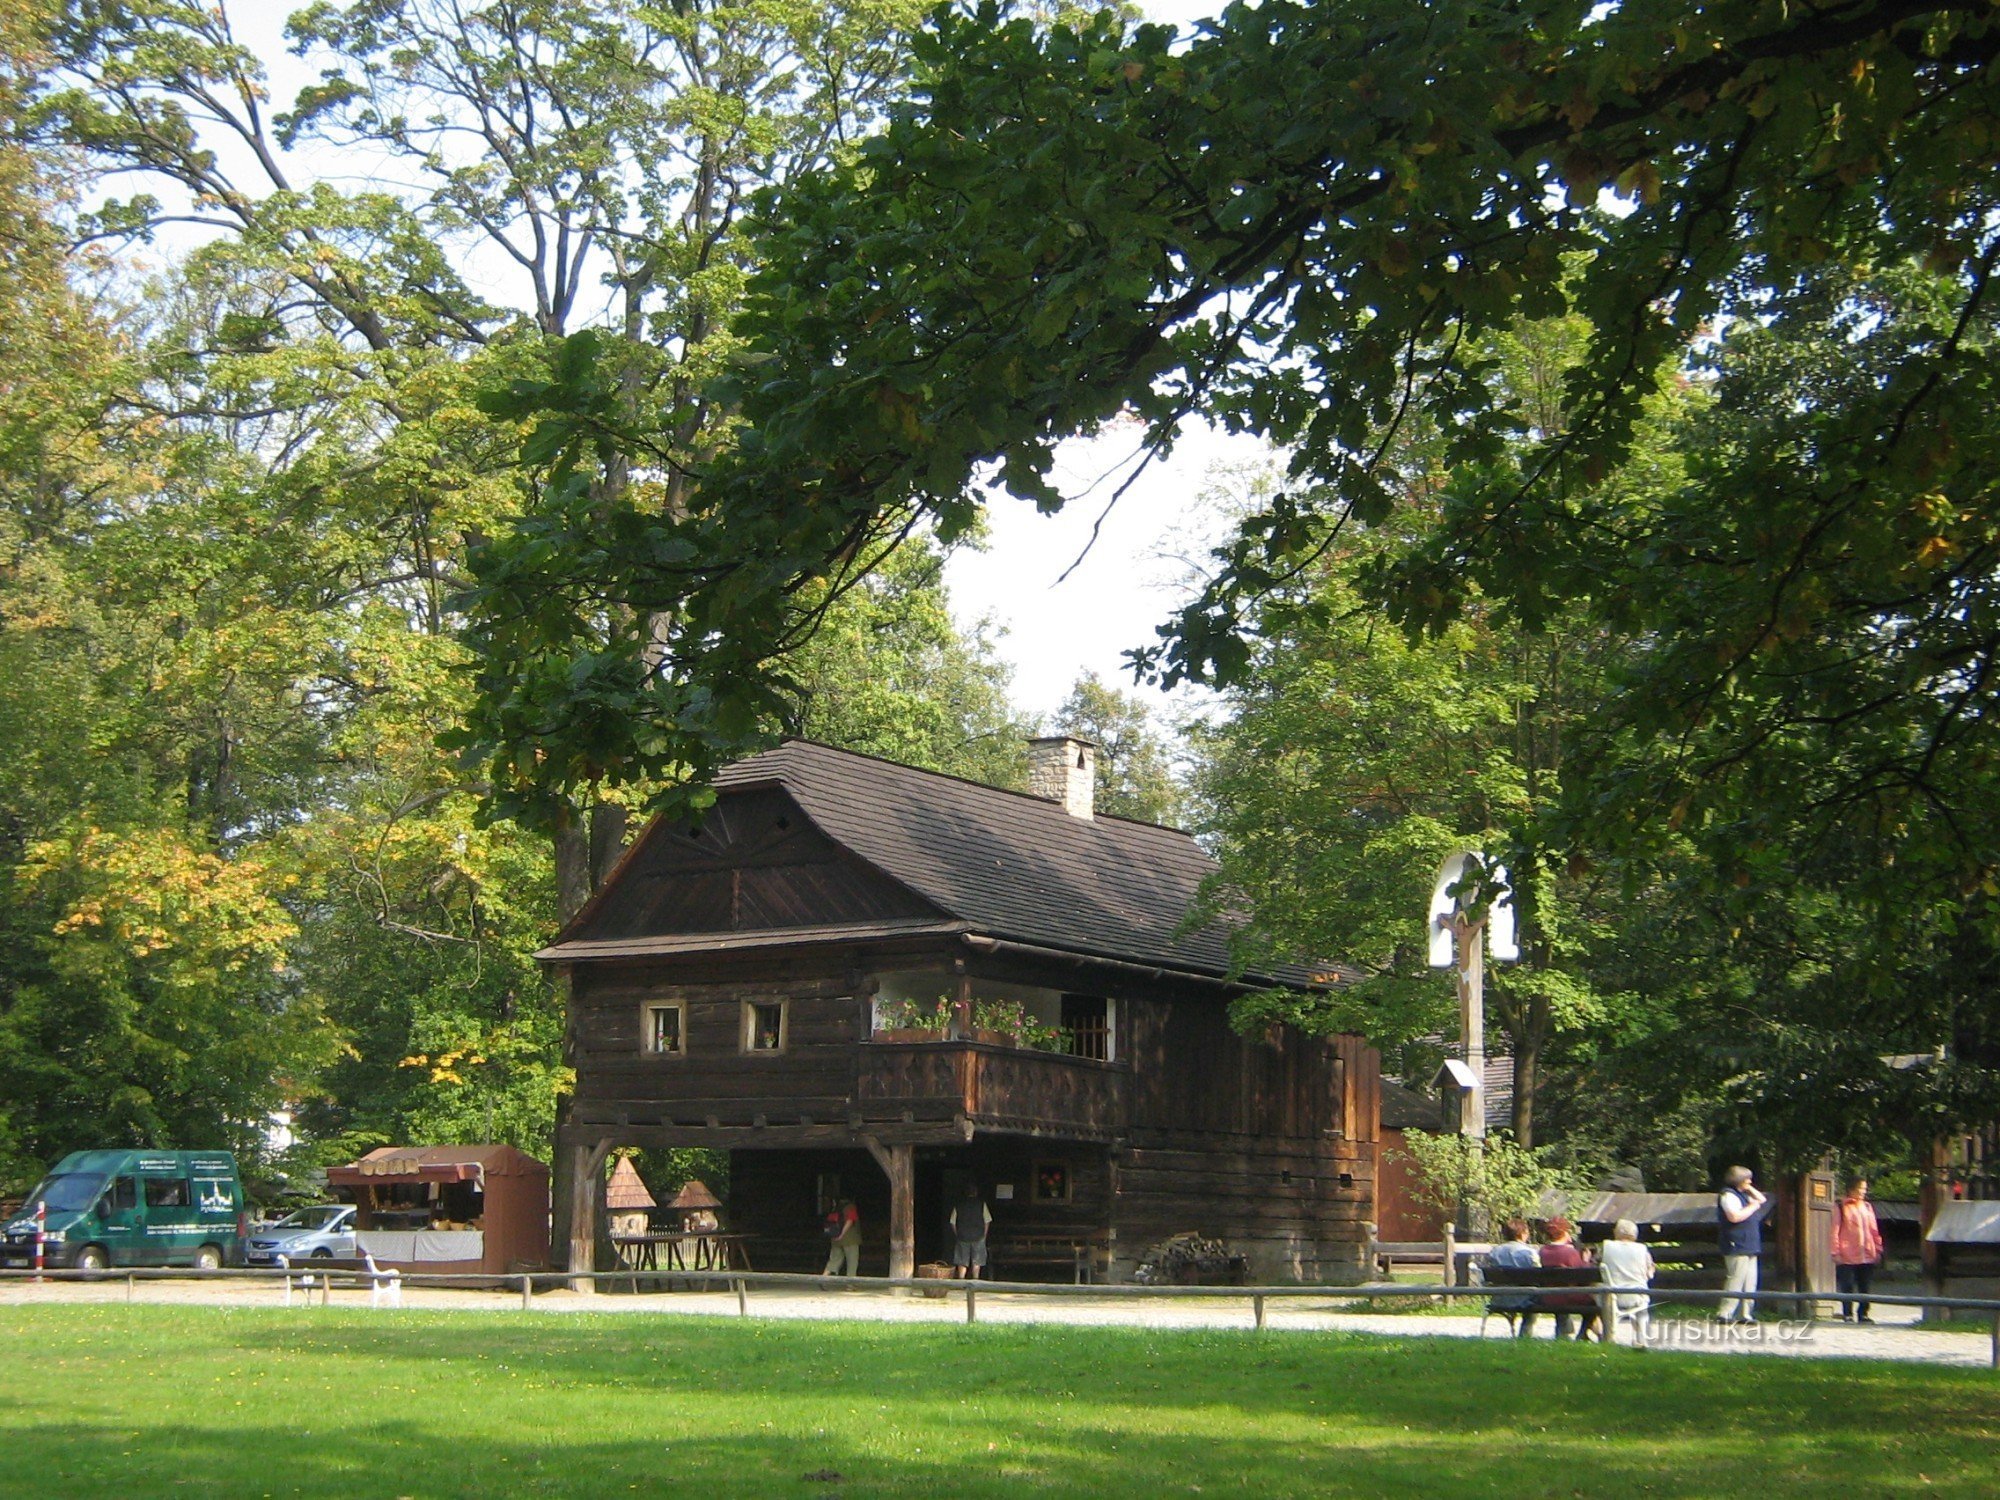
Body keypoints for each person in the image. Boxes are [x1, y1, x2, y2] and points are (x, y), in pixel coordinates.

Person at [1531, 1216, 1599, 1342]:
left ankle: (1564, 1332)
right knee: (1593, 1303)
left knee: (1559, 1291)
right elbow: (1582, 1274)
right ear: (1564, 1232)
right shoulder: (1570, 1252)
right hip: (1568, 1296)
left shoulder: (1543, 1251)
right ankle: (1582, 1334)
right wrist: (1586, 1260)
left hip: (1548, 1297)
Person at [1715, 1164, 1768, 1324]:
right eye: (1747, 1179)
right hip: (1736, 1243)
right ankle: (1725, 1313)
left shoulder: (1743, 1194)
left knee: (1750, 1281)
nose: (1750, 1182)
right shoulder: (1728, 1195)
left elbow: (1761, 1199)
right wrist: (1752, 1207)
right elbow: (1734, 1217)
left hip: (1750, 1244)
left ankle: (1746, 1314)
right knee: (1736, 1279)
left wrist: (1749, 1189)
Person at [1831, 1177, 1884, 1323]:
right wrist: (1835, 1251)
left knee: (1864, 1285)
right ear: (1851, 1189)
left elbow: (1874, 1229)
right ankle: (1847, 1313)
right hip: (1847, 1253)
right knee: (1847, 1285)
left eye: (1864, 1189)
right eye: (1860, 1188)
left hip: (1866, 1252)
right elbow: (1835, 1230)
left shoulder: (1867, 1207)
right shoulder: (1841, 1206)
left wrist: (1878, 1248)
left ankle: (1863, 1314)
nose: (1863, 1191)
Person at [1598, 1218, 1657, 1346]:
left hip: (1611, 1296)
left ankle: (1609, 1336)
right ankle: (1641, 1338)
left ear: (1617, 1232)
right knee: (1642, 1305)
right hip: (1637, 1296)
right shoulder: (1642, 1250)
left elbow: (1595, 1264)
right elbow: (1650, 1274)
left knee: (1597, 1288)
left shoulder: (1606, 1246)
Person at [1484, 1218, 1540, 1337]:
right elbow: (1538, 1275)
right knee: (1536, 1299)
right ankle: (1525, 1334)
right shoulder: (1529, 1252)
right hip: (1524, 1299)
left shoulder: (1495, 1251)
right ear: (1523, 1233)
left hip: (1499, 1297)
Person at [950, 1182, 991, 1280]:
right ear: (976, 1192)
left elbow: (952, 1222)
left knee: (962, 1261)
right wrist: (984, 1235)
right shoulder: (982, 1204)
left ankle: (961, 1280)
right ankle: (975, 1280)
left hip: (962, 1237)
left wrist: (958, 1234)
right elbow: (987, 1221)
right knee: (976, 1261)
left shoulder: (958, 1205)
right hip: (978, 1236)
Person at [821, 1197, 860, 1277]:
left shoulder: (836, 1207)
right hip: (850, 1240)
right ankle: (850, 1284)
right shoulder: (850, 1207)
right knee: (852, 1262)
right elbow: (850, 1221)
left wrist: (836, 1235)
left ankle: (824, 1278)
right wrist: (841, 1234)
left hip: (835, 1239)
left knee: (834, 1260)